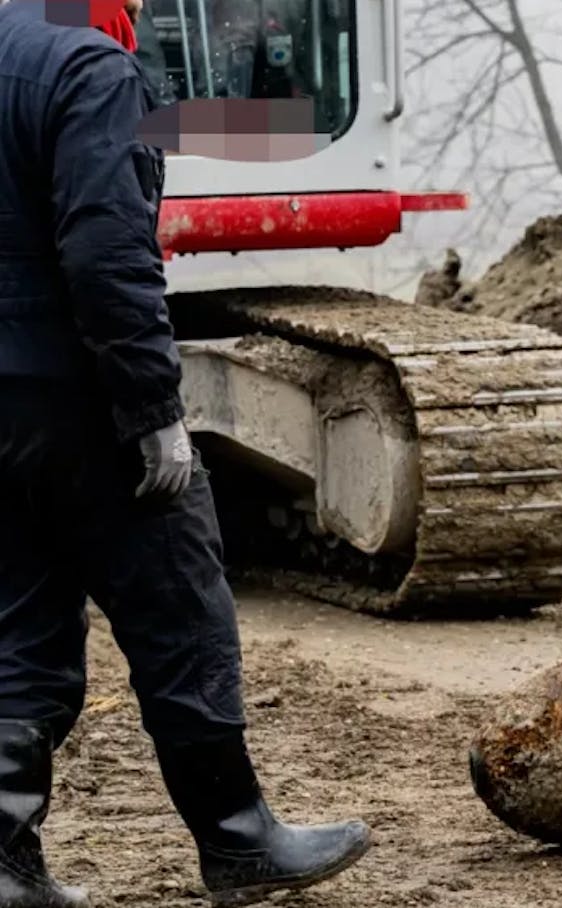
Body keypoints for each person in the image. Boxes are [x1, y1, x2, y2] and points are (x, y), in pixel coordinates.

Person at [0, 0, 372, 904]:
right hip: (78, 392)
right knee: (179, 606)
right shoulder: (89, 69)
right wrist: (152, 406)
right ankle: (238, 839)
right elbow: (105, 251)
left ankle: (5, 861)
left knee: (17, 623)